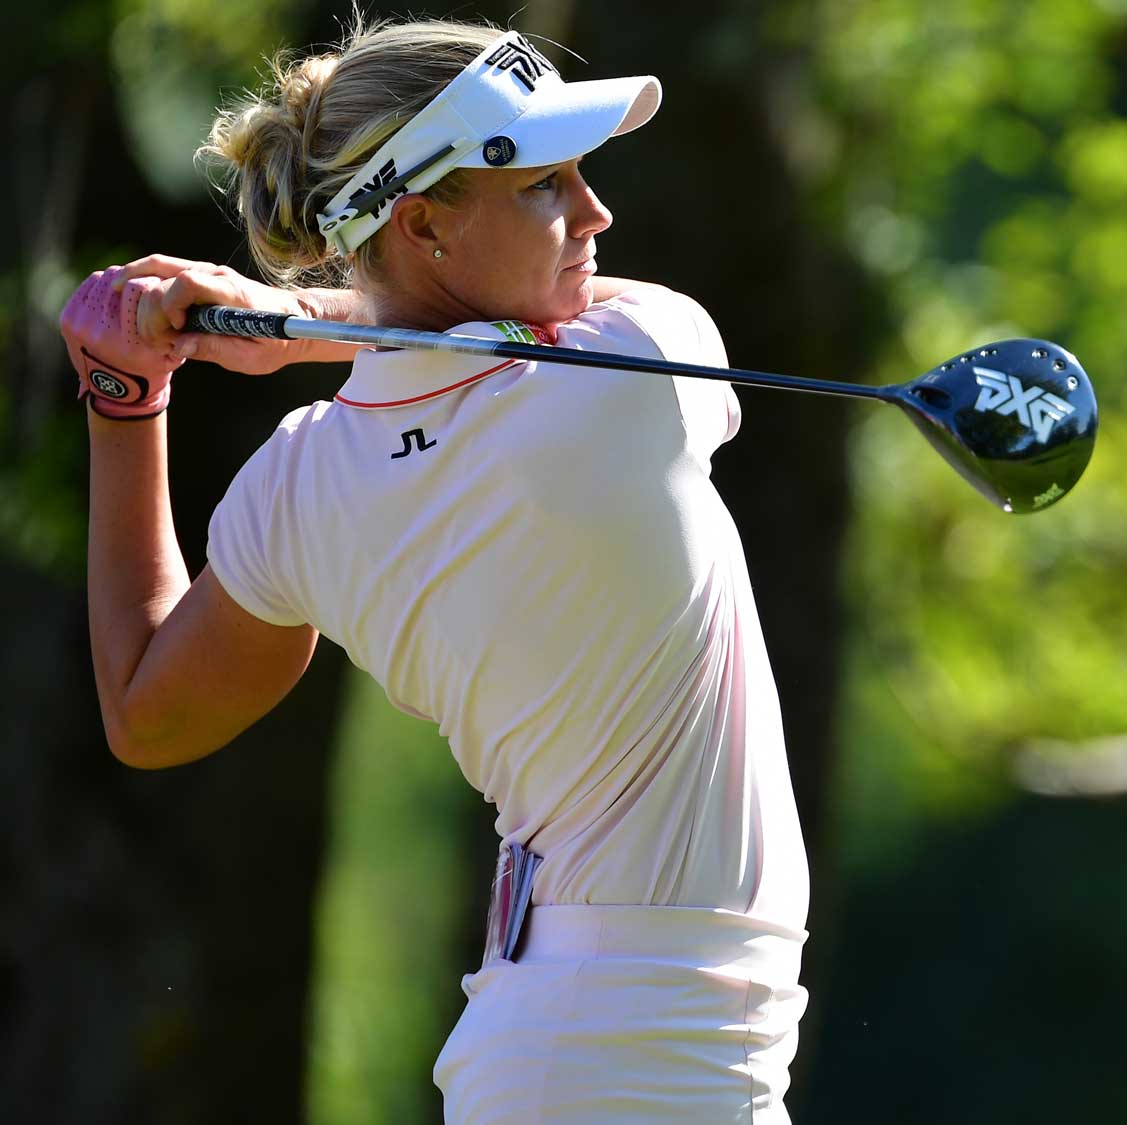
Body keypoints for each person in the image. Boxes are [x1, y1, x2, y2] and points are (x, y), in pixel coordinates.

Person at [57, 17, 809, 1123]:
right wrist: (308, 320)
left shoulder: (297, 486)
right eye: (546, 185)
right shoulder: (634, 370)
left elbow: (148, 713)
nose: (596, 214)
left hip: (584, 1047)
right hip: (635, 1060)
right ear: (421, 223)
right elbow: (460, 340)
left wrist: (128, 403)